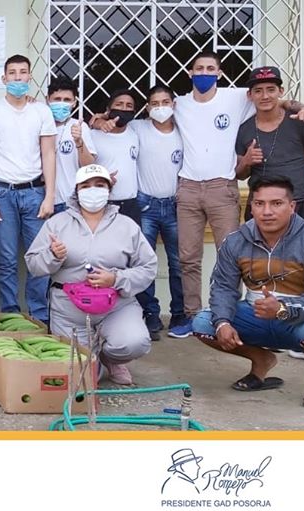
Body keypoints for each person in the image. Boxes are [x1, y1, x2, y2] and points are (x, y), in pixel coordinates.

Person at [168, 52, 304, 335]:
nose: (204, 73)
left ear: (219, 73)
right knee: (187, 257)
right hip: (188, 187)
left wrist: (302, 106)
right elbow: (152, 113)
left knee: (231, 254)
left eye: (210, 68)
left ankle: (227, 314)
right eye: (199, 68)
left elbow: (274, 99)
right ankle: (191, 315)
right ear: (190, 72)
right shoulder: (180, 104)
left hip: (222, 187)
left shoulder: (235, 98)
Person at [192, 175, 304, 410]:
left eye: (276, 203)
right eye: (259, 204)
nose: (267, 212)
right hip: (256, 314)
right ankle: (261, 360)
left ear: (292, 206)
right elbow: (223, 287)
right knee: (204, 324)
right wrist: (223, 322)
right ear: (251, 207)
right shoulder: (235, 241)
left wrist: (283, 309)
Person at [25, 164, 157, 385]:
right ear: (76, 191)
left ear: (109, 190)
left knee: (134, 343)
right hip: (69, 310)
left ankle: (110, 358)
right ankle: (94, 358)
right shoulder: (57, 223)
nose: (93, 190)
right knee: (82, 377)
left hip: (116, 306)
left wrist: (116, 279)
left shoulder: (127, 226)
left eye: (99, 185)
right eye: (85, 186)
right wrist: (53, 256)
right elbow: (33, 264)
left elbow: (148, 266)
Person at [0, 54, 57, 324]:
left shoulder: (41, 111)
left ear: (30, 76)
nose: (18, 77)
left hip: (34, 192)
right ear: (4, 78)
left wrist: (49, 196)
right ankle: (11, 316)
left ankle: (39, 316)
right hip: (2, 194)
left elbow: (49, 154)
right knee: (7, 260)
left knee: (38, 259)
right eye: (12, 73)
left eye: (23, 72)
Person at [236, 66, 304, 231]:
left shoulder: (301, 120)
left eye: (271, 89)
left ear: (281, 91)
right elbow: (240, 174)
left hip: (300, 204)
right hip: (261, 208)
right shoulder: (244, 129)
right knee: (260, 249)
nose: (265, 96)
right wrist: (247, 161)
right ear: (250, 95)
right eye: (258, 91)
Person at [130, 86, 187, 339]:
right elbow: (108, 126)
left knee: (179, 262)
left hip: (176, 205)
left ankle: (180, 314)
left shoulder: (184, 130)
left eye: (165, 102)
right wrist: (100, 120)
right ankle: (150, 313)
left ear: (174, 104)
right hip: (146, 206)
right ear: (147, 107)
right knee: (145, 262)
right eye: (155, 103)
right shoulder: (137, 128)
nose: (160, 107)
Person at [88, 90, 141, 224]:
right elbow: (82, 166)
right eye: (119, 104)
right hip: (101, 203)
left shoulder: (136, 131)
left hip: (131, 204)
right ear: (108, 109)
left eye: (129, 106)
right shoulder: (92, 135)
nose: (124, 109)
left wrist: (97, 119)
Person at [47, 76, 96, 215]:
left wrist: (79, 142)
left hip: (70, 201)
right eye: (57, 99)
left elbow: (89, 166)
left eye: (67, 100)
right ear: (48, 100)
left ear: (74, 103)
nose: (62, 103)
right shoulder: (39, 125)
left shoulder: (80, 127)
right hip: (42, 200)